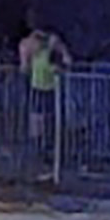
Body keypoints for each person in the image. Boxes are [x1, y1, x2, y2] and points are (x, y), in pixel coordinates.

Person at [18, 11, 72, 179]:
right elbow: (25, 64)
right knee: (37, 125)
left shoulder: (51, 44)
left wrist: (61, 64)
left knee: (49, 125)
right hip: (39, 89)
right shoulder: (31, 45)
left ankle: (48, 161)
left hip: (50, 90)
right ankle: (38, 159)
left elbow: (66, 60)